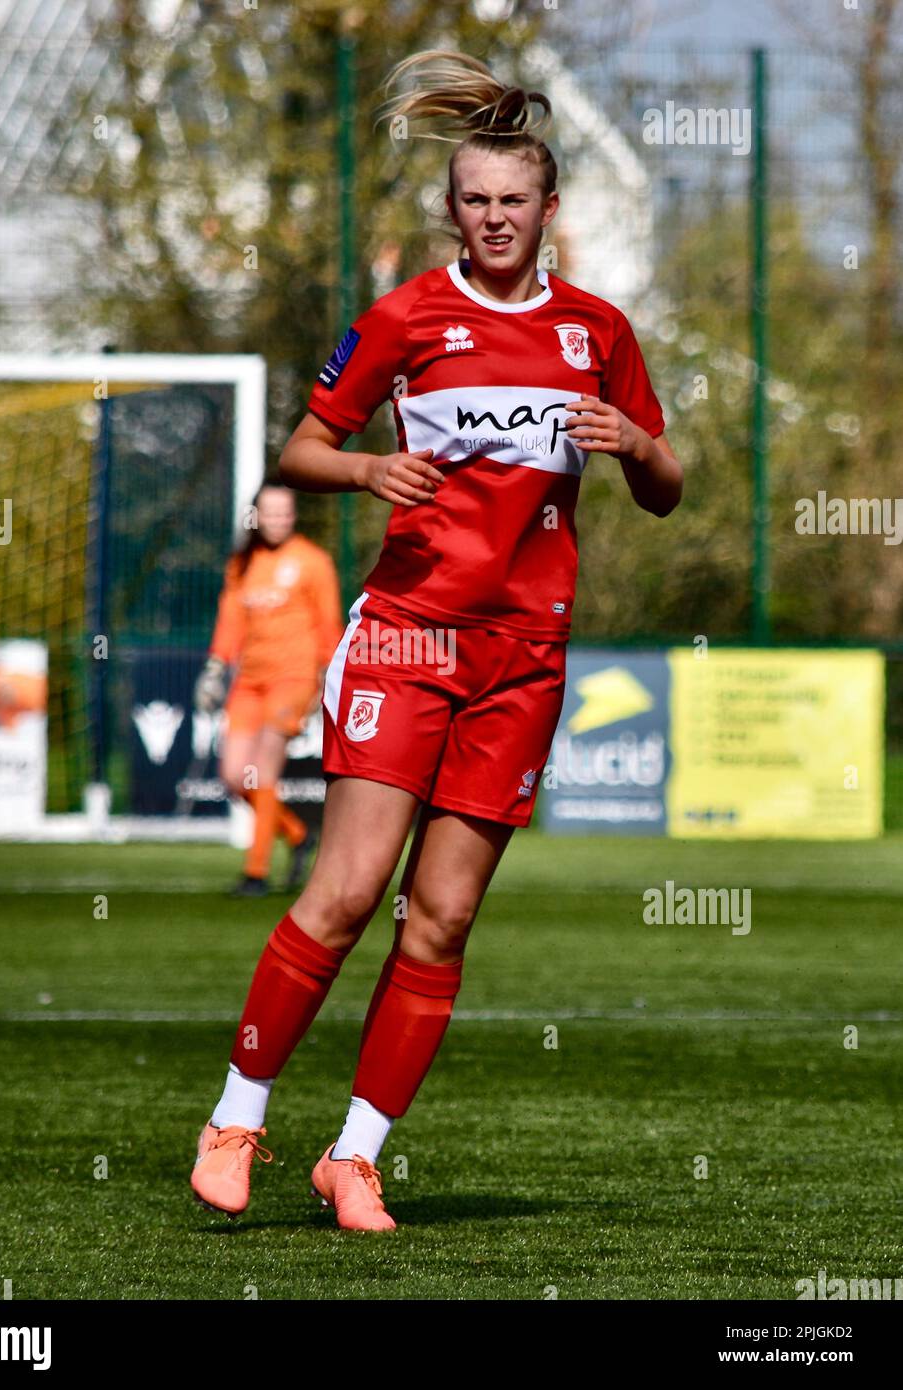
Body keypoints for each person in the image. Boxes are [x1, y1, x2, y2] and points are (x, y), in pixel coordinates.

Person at [190, 50, 682, 1232]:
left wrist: (635, 443)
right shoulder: (408, 315)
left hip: (524, 654)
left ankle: (353, 1156)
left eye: (515, 200)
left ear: (548, 210)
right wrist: (362, 465)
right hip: (409, 636)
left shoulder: (596, 332)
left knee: (445, 915)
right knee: (349, 889)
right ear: (452, 207)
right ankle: (237, 1117)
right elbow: (301, 448)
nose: (495, 217)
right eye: (475, 199)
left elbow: (665, 486)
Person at [193, 482, 341, 896]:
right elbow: (230, 622)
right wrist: (213, 668)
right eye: (269, 512)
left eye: (284, 512)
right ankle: (296, 833)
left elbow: (329, 625)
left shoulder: (313, 561)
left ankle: (255, 873)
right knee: (235, 776)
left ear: (293, 515)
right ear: (255, 516)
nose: (277, 519)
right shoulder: (242, 563)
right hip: (249, 683)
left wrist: (326, 679)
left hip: (293, 679)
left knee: (263, 770)